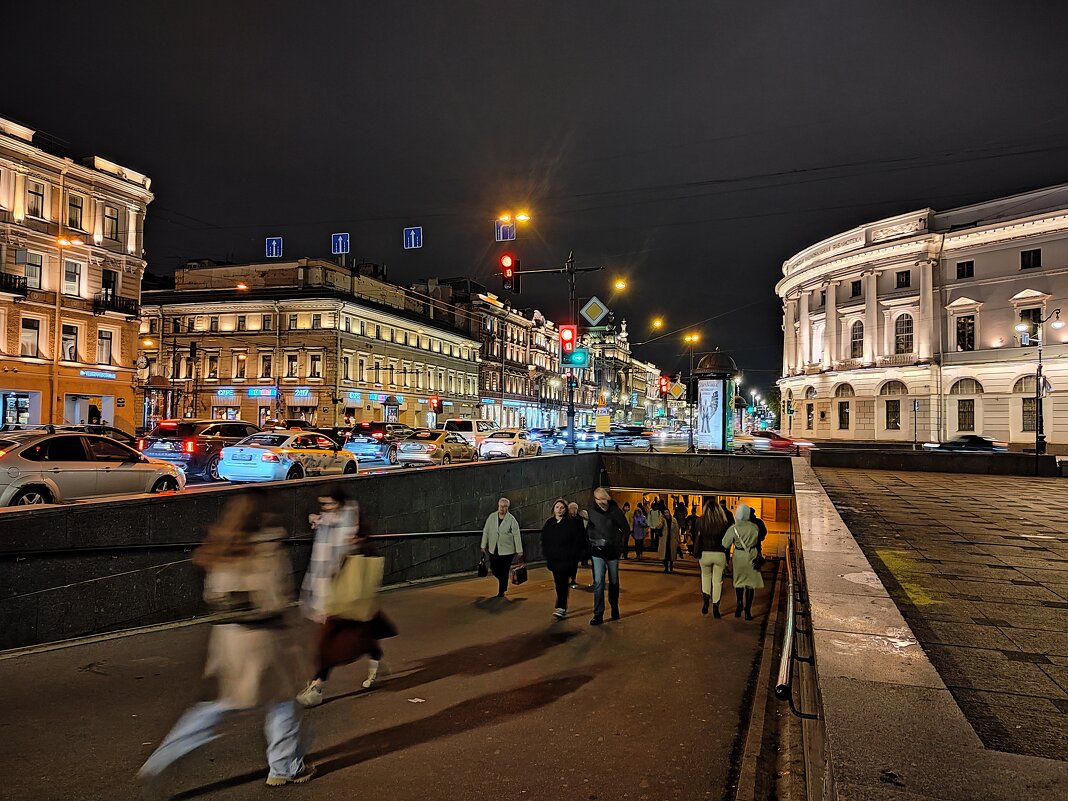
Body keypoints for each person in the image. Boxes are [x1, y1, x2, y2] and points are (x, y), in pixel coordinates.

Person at [137, 492, 314, 788]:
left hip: (228, 637)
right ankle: (284, 768)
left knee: (219, 704)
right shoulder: (267, 547)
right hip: (263, 639)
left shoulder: (220, 546)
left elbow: (213, 595)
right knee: (283, 703)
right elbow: (273, 600)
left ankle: (161, 760)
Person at [297, 486, 397, 707]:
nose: (326, 508)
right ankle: (376, 659)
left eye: (330, 503)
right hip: (334, 589)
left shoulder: (353, 519)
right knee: (358, 631)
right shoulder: (328, 520)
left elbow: (362, 546)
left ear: (341, 502)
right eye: (323, 504)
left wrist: (355, 544)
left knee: (327, 640)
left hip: (346, 589)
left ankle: (317, 685)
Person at [586, 487, 630, 625]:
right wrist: (592, 541)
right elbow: (589, 529)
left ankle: (614, 605)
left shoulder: (615, 511)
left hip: (612, 552)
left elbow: (626, 529)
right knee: (598, 582)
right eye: (598, 499)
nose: (601, 502)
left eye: (603, 499)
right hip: (597, 552)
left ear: (608, 498)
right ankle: (598, 614)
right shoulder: (592, 511)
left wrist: (619, 544)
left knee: (613, 581)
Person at [540, 498, 584, 620]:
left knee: (563, 583)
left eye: (562, 508)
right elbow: (544, 541)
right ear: (553, 509)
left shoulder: (570, 524)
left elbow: (576, 541)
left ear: (565, 510)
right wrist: (547, 554)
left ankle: (561, 606)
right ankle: (560, 603)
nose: (559, 510)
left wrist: (573, 556)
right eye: (557, 507)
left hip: (566, 559)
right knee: (558, 582)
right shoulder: (549, 524)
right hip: (554, 559)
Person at [722, 503, 765, 620]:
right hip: (752, 554)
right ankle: (747, 611)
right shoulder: (754, 527)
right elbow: (758, 538)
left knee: (739, 581)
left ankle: (739, 604)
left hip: (739, 555)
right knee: (750, 585)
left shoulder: (733, 528)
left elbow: (725, 544)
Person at [693, 497, 732, 617]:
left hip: (705, 553)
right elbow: (726, 541)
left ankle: (705, 603)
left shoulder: (700, 521)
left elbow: (697, 536)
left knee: (705, 577)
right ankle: (716, 607)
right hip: (719, 554)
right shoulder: (724, 522)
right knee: (717, 582)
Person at [480, 497, 523, 598]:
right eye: (500, 506)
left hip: (507, 551)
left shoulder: (511, 520)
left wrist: (519, 550)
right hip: (493, 548)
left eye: (504, 506)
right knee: (494, 568)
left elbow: (517, 535)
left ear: (508, 507)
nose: (502, 508)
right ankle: (503, 580)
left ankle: (502, 590)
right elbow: (486, 531)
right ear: (498, 506)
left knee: (504, 570)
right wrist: (483, 545)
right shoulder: (492, 517)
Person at [568, 501, 589, 588]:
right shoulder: (566, 519)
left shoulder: (579, 519)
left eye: (575, 509)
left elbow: (582, 532)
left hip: (576, 546)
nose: (574, 510)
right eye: (572, 509)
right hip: (567, 546)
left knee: (574, 564)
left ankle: (573, 579)